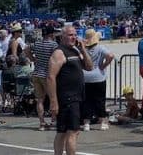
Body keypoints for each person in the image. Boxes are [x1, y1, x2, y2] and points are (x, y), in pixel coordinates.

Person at [47, 25, 93, 155]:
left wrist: (83, 49)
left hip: (77, 97)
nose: (73, 37)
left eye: (74, 35)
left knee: (64, 132)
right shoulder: (59, 53)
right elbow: (50, 77)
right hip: (67, 98)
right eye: (70, 35)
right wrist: (53, 101)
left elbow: (89, 67)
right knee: (72, 131)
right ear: (62, 37)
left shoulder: (75, 51)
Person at [81, 29, 114, 131]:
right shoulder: (100, 48)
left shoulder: (83, 49)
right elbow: (110, 55)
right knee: (100, 100)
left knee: (86, 101)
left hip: (85, 76)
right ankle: (103, 122)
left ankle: (86, 122)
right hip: (98, 76)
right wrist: (103, 65)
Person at [30, 25, 59, 130]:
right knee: (52, 98)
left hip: (37, 72)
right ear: (51, 34)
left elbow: (26, 49)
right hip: (47, 74)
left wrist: (33, 59)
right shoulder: (53, 44)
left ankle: (42, 123)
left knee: (40, 99)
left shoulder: (37, 44)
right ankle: (53, 119)